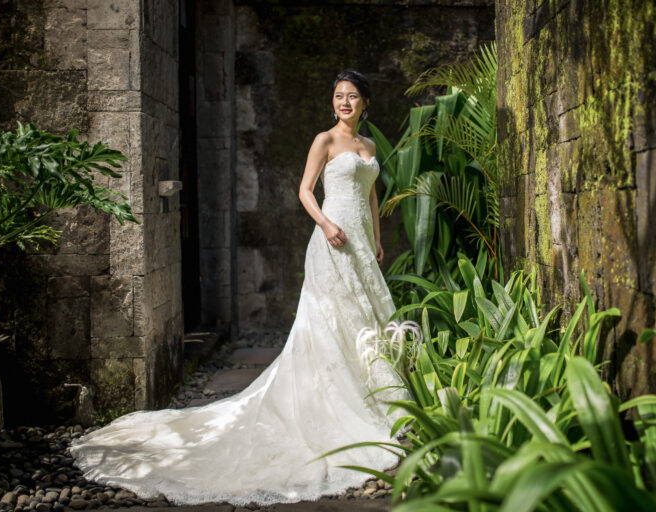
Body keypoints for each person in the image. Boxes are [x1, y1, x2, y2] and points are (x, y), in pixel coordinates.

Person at [68, 70, 408, 506]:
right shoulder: (325, 141)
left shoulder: (370, 147)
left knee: (365, 319)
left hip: (362, 244)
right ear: (333, 102)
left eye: (353, 96)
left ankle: (376, 397)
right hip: (332, 242)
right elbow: (304, 191)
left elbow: (372, 196)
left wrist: (377, 238)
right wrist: (326, 224)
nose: (344, 103)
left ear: (365, 103)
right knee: (328, 323)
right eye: (339, 96)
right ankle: (332, 404)